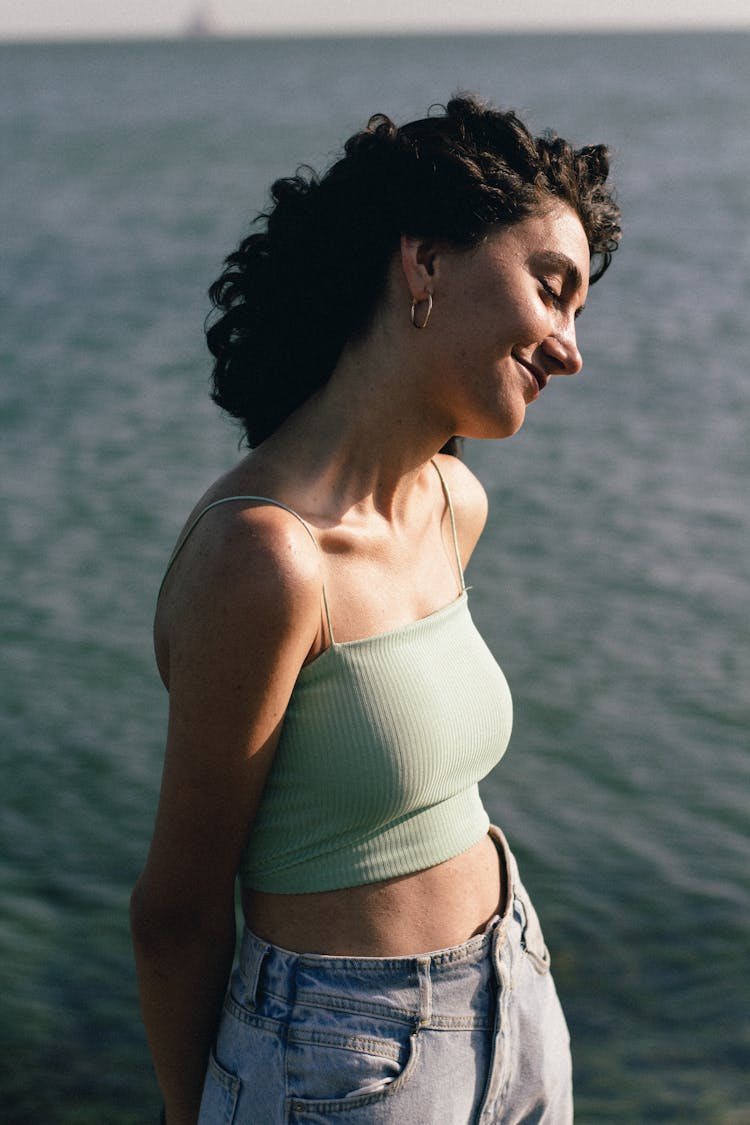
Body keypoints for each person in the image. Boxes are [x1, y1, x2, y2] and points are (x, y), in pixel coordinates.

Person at [130, 94, 621, 1125]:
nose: (570, 346)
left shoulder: (453, 505)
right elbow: (176, 913)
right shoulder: (263, 560)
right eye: (553, 288)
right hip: (341, 1064)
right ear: (426, 260)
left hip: (518, 995)